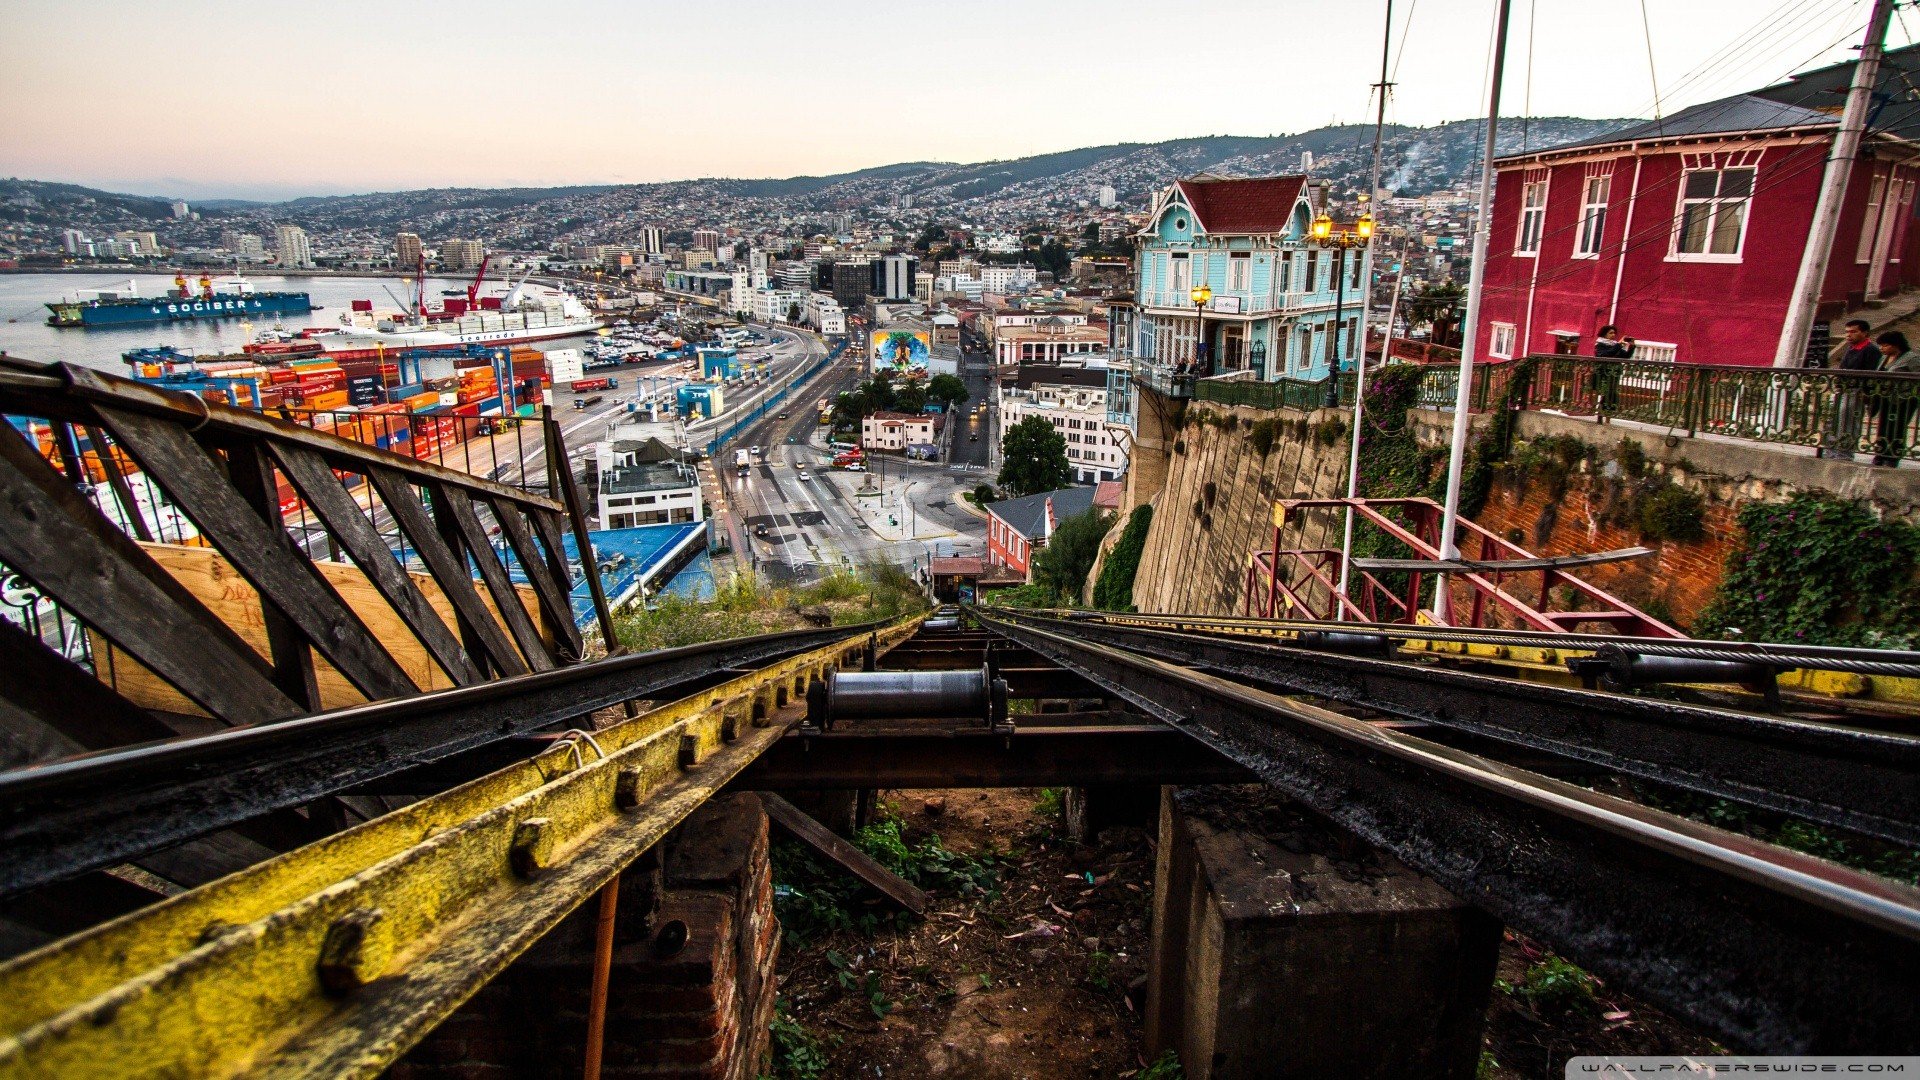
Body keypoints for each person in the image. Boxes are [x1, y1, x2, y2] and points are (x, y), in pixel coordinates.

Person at [1823, 320, 1877, 458]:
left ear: (1864, 333)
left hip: (1855, 391)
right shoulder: (1851, 348)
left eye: (1853, 332)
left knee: (1848, 423)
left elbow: (1871, 374)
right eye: (1847, 332)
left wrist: (1865, 393)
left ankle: (1844, 453)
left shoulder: (1871, 350)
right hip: (1843, 390)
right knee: (1834, 421)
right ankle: (1832, 451)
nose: (1849, 335)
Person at [1871, 330, 1919, 467]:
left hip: (1904, 399)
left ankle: (1893, 455)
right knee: (1883, 426)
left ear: (1896, 345)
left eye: (1885, 345)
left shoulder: (1910, 358)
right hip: (1885, 397)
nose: (1881, 348)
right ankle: (1880, 453)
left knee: (1897, 427)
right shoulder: (1883, 358)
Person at [1591, 325, 1635, 413]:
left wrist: (1632, 347)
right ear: (1604, 334)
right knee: (1606, 392)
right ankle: (1600, 412)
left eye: (1614, 333)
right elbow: (1604, 355)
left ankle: (1608, 413)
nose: (1613, 335)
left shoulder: (1615, 345)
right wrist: (1619, 345)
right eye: (1610, 333)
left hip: (1614, 372)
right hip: (1603, 372)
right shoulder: (1600, 344)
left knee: (1612, 393)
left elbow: (1625, 357)